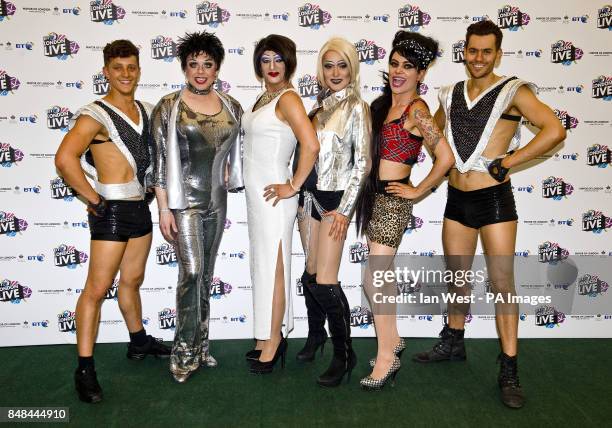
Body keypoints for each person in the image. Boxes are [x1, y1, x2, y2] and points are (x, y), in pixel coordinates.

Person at [412, 20, 566, 408]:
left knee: (501, 284)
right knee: (457, 278)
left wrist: (510, 160)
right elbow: (437, 143)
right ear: (463, 51)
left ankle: (509, 367)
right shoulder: (450, 94)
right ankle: (454, 341)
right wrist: (417, 118)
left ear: (498, 53)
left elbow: (554, 130)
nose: (478, 58)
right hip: (456, 201)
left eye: (486, 51)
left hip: (494, 200)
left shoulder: (515, 91)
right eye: (472, 50)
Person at [55, 40, 170, 403]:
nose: (125, 74)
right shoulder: (95, 114)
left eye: (131, 67)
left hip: (140, 209)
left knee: (132, 281)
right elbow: (64, 158)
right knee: (96, 289)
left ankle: (138, 342)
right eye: (118, 68)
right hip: (112, 212)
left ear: (138, 70)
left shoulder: (148, 111)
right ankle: (85, 369)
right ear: (106, 71)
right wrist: (93, 199)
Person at [355, 31, 454, 391]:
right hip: (373, 198)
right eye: (394, 64)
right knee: (372, 278)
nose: (399, 72)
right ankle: (393, 340)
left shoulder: (417, 110)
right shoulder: (383, 105)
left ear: (421, 75)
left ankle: (387, 358)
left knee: (377, 278)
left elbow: (445, 158)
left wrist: (416, 190)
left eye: (408, 67)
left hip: (395, 201)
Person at [150, 31, 244, 383]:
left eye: (208, 64)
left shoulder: (232, 106)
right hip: (184, 205)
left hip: (217, 203)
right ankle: (183, 352)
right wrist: (163, 210)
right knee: (190, 274)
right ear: (184, 68)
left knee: (205, 276)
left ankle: (201, 345)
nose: (201, 71)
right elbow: (158, 164)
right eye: (194, 64)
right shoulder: (169, 106)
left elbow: (238, 156)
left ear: (218, 68)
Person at [295, 37, 371, 387]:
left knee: (325, 280)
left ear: (352, 68)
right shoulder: (318, 107)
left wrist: (344, 210)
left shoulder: (357, 106)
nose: (335, 72)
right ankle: (315, 336)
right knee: (310, 274)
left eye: (342, 65)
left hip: (335, 202)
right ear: (320, 71)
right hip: (308, 199)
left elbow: (363, 164)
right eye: (328, 65)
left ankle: (344, 354)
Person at [242, 34, 319, 374]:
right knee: (262, 264)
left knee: (275, 267)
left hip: (275, 196)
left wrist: (293, 185)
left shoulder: (287, 99)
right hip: (257, 195)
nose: (272, 66)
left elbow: (311, 145)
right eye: (265, 59)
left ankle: (275, 339)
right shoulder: (263, 97)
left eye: (278, 59)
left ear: (289, 62)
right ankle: (265, 334)